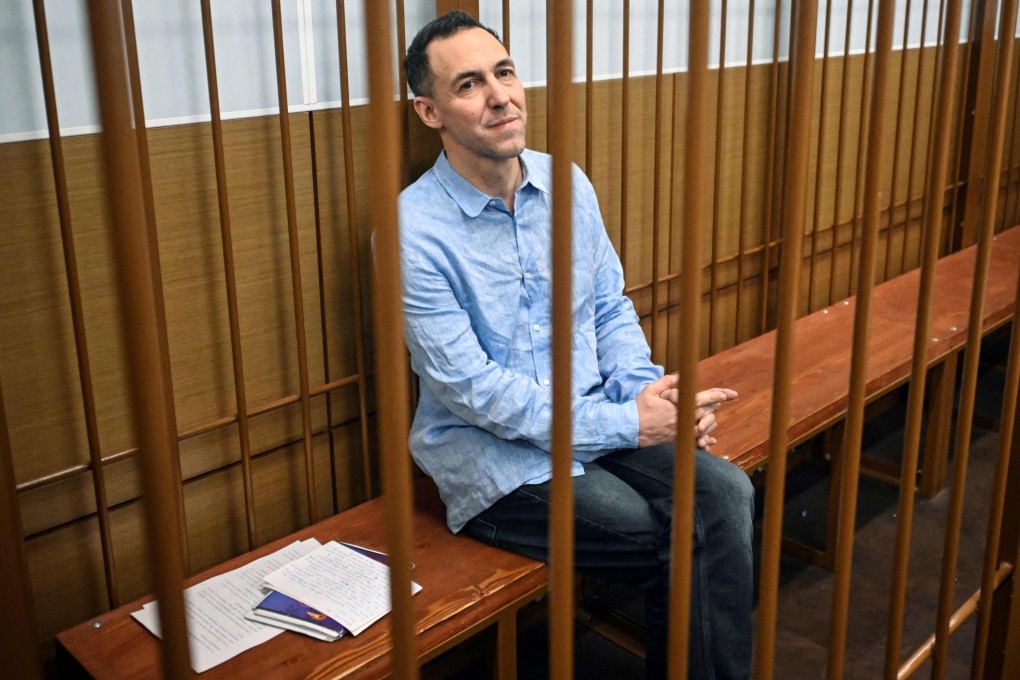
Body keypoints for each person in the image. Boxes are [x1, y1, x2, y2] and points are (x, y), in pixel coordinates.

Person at [397, 11, 753, 679]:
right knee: (664, 536)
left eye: (504, 72)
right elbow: (473, 391)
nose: (500, 94)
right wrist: (627, 422)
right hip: (495, 460)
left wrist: (648, 396)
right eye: (470, 84)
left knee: (726, 494)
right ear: (430, 111)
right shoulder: (412, 231)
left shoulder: (566, 183)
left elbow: (608, 306)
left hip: (594, 418)